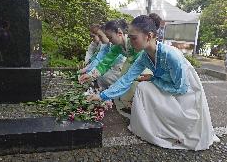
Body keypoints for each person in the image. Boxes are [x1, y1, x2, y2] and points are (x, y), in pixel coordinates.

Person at [87, 15, 219, 150]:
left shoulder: (171, 55)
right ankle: (156, 128)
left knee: (146, 85)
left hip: (186, 91)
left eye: (133, 38)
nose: (130, 43)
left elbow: (181, 89)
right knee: (142, 87)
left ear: (149, 36)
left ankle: (173, 126)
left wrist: (153, 79)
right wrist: (102, 96)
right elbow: (126, 80)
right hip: (167, 84)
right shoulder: (144, 57)